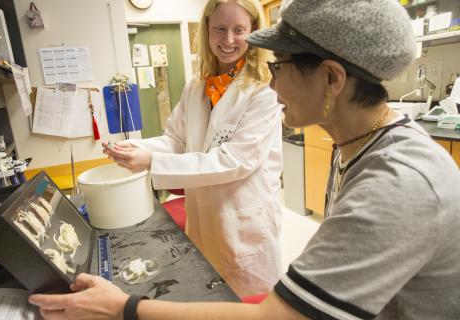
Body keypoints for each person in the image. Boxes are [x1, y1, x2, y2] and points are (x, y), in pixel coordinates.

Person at [30, 0, 460, 319]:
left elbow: (278, 316)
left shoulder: (399, 182)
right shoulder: (360, 147)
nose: (274, 85)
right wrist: (143, 152)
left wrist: (124, 307)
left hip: (246, 225)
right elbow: (180, 140)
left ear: (331, 79)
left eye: (282, 67)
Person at [102, 0, 283, 297]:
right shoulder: (198, 86)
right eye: (219, 29)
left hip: (243, 220)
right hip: (204, 218)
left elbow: (235, 160)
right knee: (209, 298)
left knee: (247, 306)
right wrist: (135, 146)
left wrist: (151, 163)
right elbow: (176, 140)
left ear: (254, 31)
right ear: (207, 31)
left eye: (239, 30)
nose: (228, 40)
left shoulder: (263, 89)